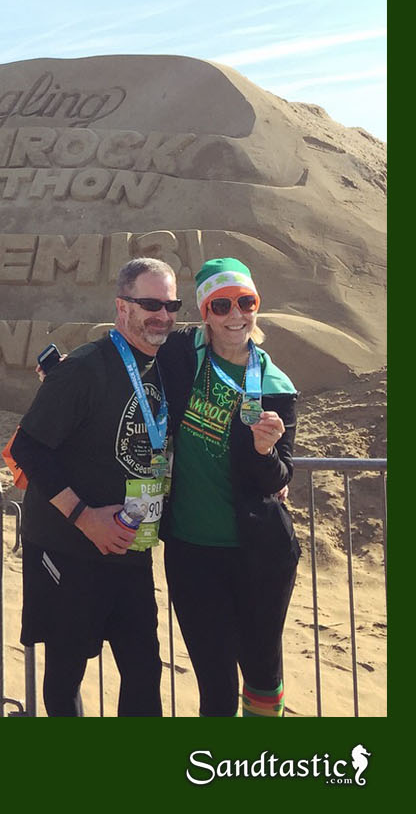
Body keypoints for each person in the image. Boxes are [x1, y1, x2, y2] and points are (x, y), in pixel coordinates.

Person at [9, 257, 182, 716]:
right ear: (122, 307)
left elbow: (231, 333)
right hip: (69, 545)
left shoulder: (167, 363)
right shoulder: (84, 368)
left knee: (143, 669)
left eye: (171, 305)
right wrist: (85, 517)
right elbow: (28, 449)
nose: (162, 316)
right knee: (67, 672)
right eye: (151, 304)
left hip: (131, 545)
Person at [156, 257, 299, 718]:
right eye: (221, 305)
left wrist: (265, 452)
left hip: (259, 553)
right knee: (215, 687)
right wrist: (67, 375)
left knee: (262, 672)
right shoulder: (181, 354)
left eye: (246, 302)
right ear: (205, 314)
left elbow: (281, 477)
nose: (236, 314)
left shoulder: (276, 386)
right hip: (191, 549)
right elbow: (129, 343)